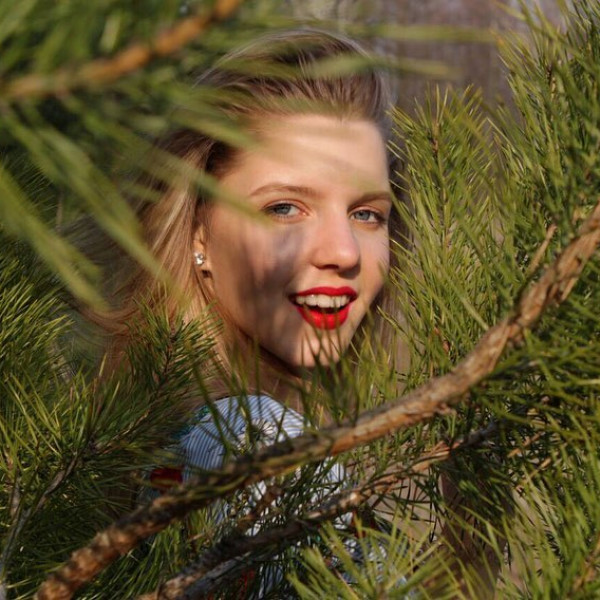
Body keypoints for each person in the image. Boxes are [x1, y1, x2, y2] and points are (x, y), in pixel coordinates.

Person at [82, 28, 406, 595]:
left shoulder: (135, 439)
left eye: (366, 214)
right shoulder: (254, 441)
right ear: (198, 231)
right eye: (284, 208)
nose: (344, 252)